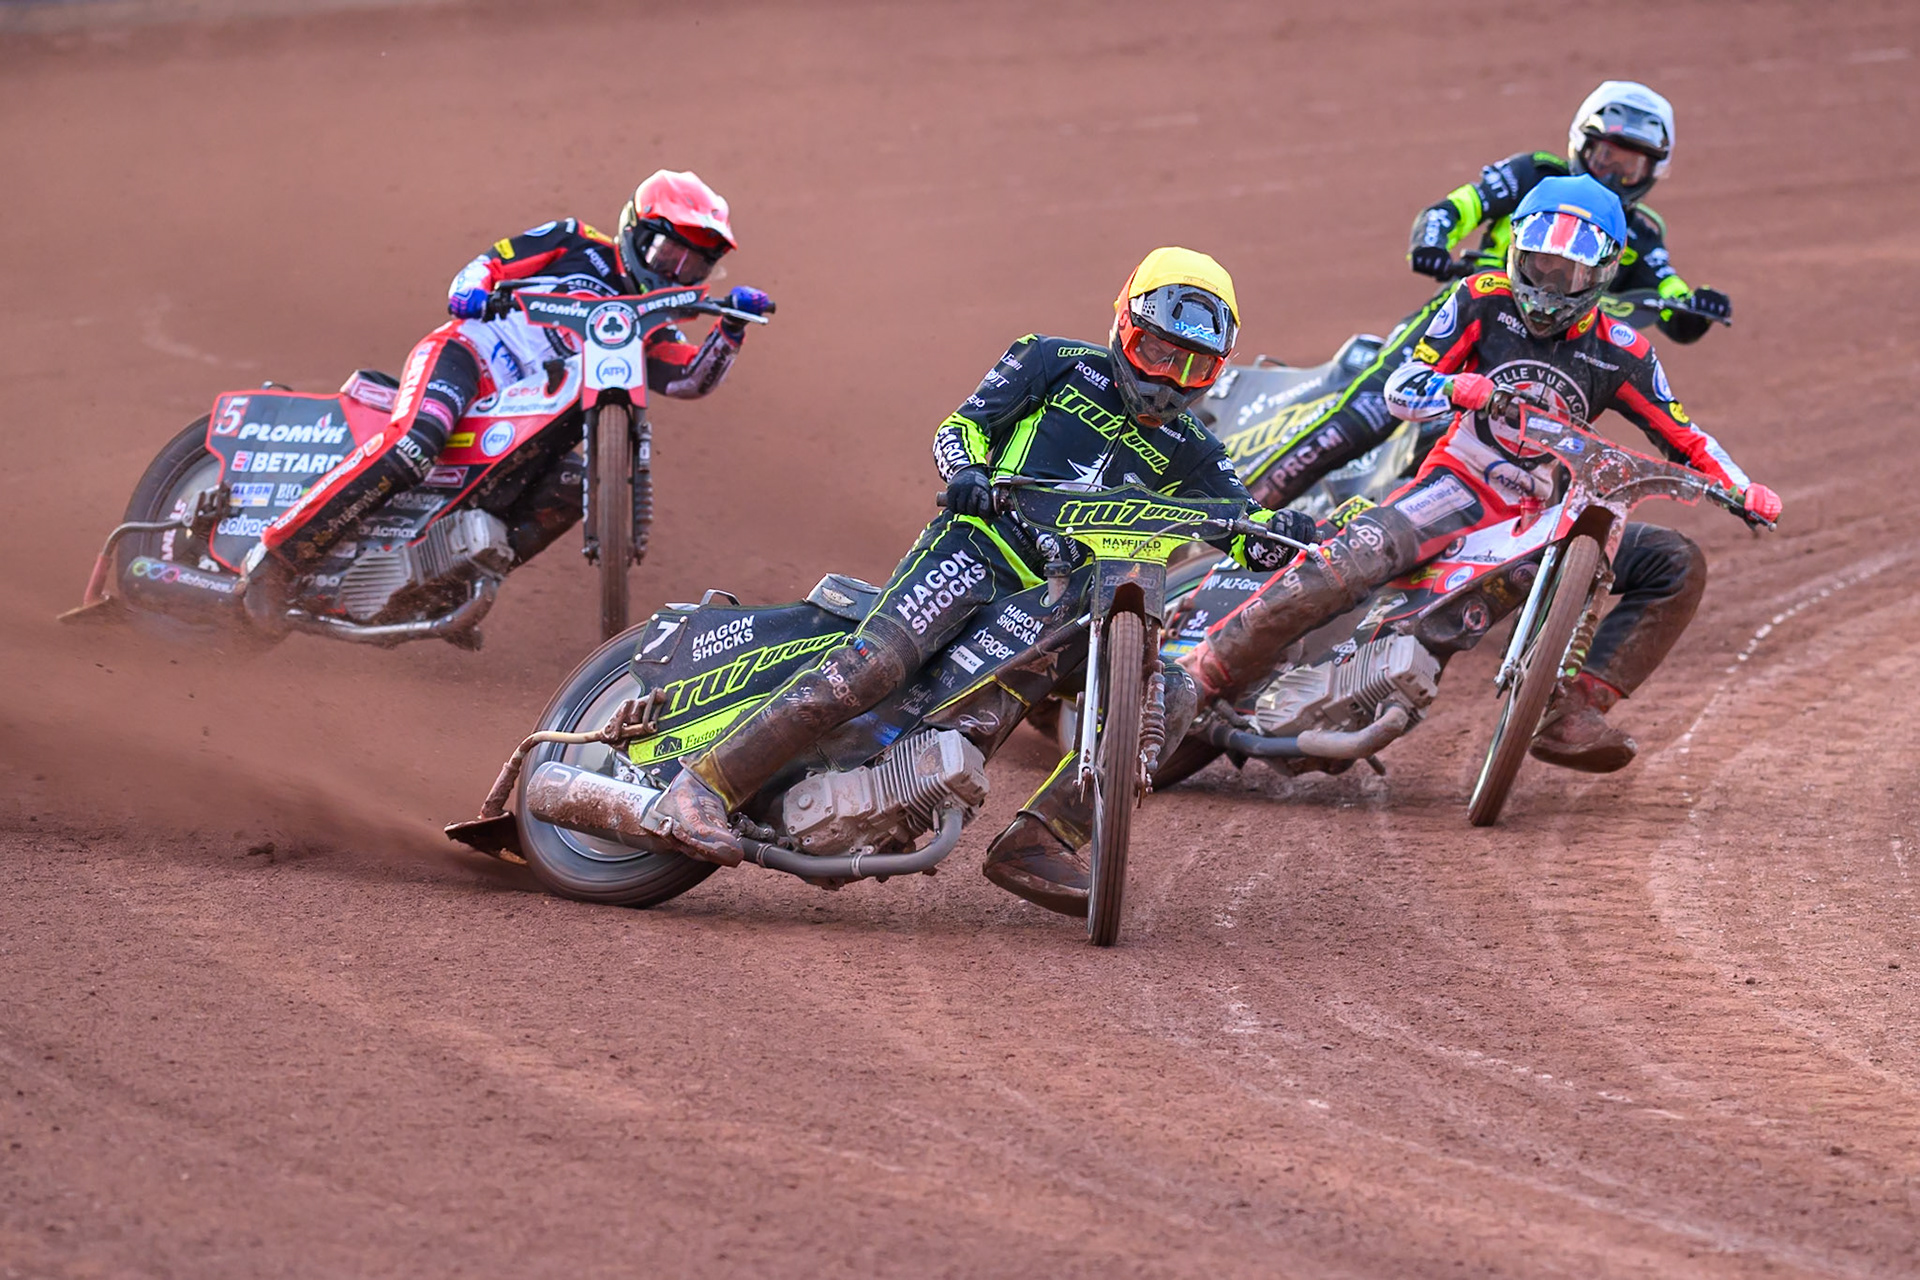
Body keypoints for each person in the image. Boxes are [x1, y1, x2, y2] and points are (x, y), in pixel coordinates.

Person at [645, 248, 1317, 914]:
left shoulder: (1196, 451)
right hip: (976, 547)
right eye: (1158, 352)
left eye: (1194, 365)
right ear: (1123, 325)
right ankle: (700, 787)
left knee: (1169, 693)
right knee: (875, 665)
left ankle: (1042, 838)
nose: (1171, 378)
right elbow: (962, 425)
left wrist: (1285, 534)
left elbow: (1247, 528)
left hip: (1067, 601)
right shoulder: (1054, 362)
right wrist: (966, 471)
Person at [1180, 177, 1780, 773]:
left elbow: (1684, 436)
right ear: (1515, 252)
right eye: (1538, 266)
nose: (1548, 287)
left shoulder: (1621, 351)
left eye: (1566, 274)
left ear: (1601, 275)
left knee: (1675, 562)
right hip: (1458, 484)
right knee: (1352, 560)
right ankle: (1201, 671)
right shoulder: (1480, 298)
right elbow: (1400, 388)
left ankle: (1569, 707)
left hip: (1549, 515)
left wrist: (1740, 487)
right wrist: (1453, 386)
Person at [242, 169, 773, 621]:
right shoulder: (575, 240)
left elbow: (688, 380)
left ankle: (444, 587)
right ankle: (277, 560)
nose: (676, 272)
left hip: (530, 423)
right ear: (635, 232)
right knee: (416, 442)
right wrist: (469, 293)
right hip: (470, 359)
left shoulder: (653, 325)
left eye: (694, 266)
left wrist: (730, 330)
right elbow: (490, 264)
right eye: (667, 253)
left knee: (572, 484)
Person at [1246, 81, 1733, 511]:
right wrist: (1430, 244)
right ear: (1581, 145)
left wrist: (1697, 310)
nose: (1611, 174)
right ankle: (1238, 513)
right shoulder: (1532, 175)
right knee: (1367, 414)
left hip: (1552, 356)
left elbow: (1671, 301)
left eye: (1628, 166)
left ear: (1653, 171)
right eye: (1605, 156)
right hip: (1470, 315)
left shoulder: (1641, 232)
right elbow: (1453, 208)